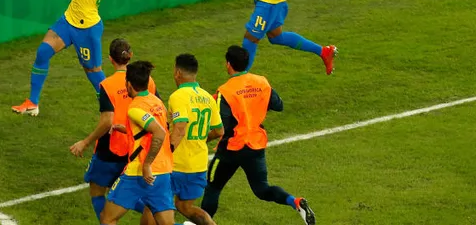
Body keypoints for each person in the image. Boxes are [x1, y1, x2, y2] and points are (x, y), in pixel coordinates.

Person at [11, 0, 133, 116]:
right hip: (70, 20)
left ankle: (115, 108)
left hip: (87, 28)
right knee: (43, 52)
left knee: (93, 72)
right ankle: (32, 103)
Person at [200, 45, 316, 225]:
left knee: (213, 188)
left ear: (228, 65)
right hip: (255, 145)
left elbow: (223, 123)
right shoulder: (262, 82)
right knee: (262, 189)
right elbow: (279, 105)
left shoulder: (226, 90)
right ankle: (294, 202)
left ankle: (203, 223)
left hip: (231, 147)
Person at [69, 38, 158, 222]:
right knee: (128, 191)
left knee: (97, 189)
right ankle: (159, 216)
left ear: (110, 59)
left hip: (111, 147)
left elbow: (107, 121)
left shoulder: (107, 85)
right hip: (137, 147)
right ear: (130, 55)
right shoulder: (147, 80)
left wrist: (85, 142)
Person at [100, 61, 175, 225]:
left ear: (128, 84)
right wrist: (128, 129)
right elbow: (155, 129)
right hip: (163, 171)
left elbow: (159, 132)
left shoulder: (135, 108)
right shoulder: (156, 102)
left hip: (138, 172)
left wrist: (147, 164)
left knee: (107, 218)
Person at [167, 54, 223, 224]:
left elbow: (180, 128)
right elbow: (220, 130)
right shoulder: (207, 97)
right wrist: (202, 139)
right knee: (185, 206)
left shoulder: (178, 96)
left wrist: (165, 153)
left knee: (155, 209)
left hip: (177, 165)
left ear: (177, 72)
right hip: (198, 165)